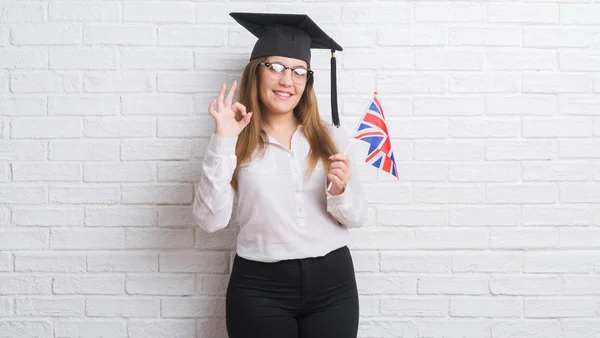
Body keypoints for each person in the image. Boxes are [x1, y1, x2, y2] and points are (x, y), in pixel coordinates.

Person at [193, 12, 368, 338]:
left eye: (299, 71)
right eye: (276, 67)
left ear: (308, 80)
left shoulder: (331, 138)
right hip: (260, 289)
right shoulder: (234, 140)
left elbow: (356, 217)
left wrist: (340, 190)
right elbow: (210, 220)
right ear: (255, 73)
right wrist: (223, 142)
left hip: (334, 285)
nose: (288, 80)